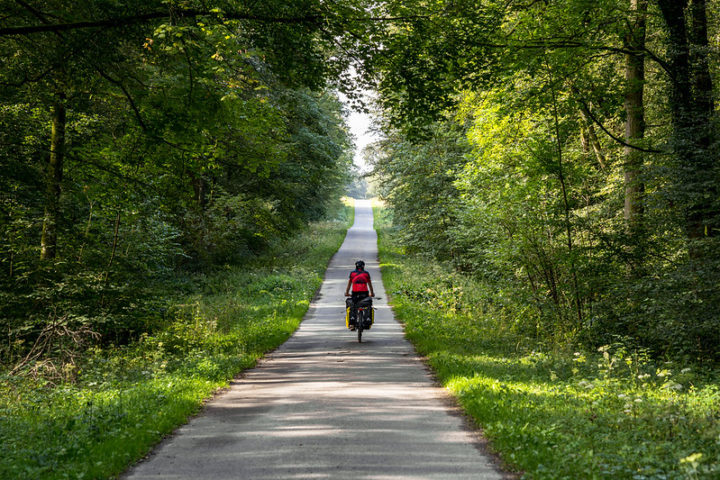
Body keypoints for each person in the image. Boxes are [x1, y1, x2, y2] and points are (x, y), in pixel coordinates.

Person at [344, 260, 374, 329]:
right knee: (368, 304)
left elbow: (349, 285)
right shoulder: (366, 274)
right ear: (363, 266)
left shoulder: (352, 274)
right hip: (364, 294)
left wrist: (347, 293)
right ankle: (367, 320)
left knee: (351, 305)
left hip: (355, 295)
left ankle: (352, 324)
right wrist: (372, 293)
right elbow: (370, 285)